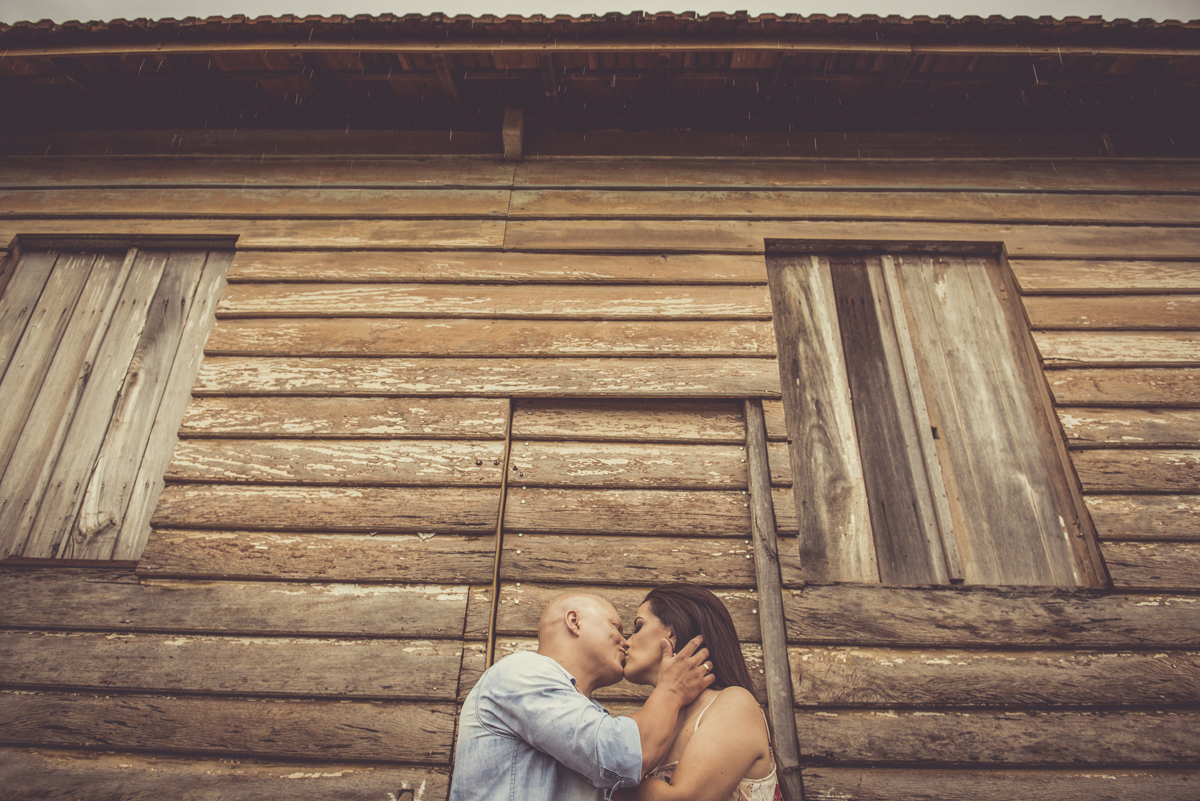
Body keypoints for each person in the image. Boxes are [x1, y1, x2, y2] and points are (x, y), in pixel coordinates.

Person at [449, 592, 715, 801]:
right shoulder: (521, 673)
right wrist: (671, 690)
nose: (625, 641)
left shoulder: (588, 712)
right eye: (616, 626)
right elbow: (622, 755)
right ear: (574, 622)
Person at [616, 583, 778, 801]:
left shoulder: (734, 704)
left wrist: (599, 777)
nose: (627, 642)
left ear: (672, 636)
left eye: (638, 627)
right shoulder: (663, 722)